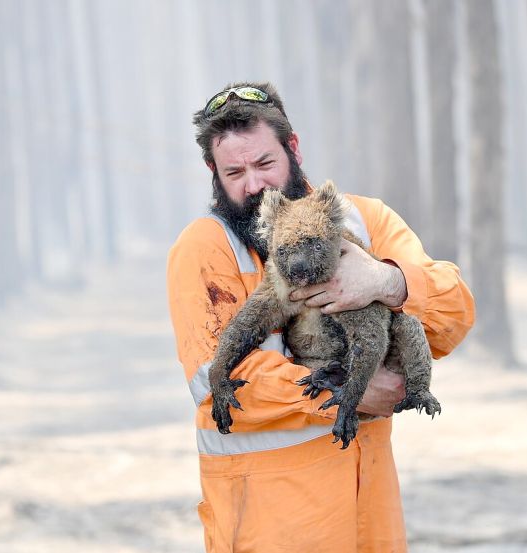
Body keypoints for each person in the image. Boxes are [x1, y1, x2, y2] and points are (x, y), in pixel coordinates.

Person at [167, 82, 475, 552]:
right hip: (268, 529)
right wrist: (343, 392)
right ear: (213, 171)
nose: (253, 184)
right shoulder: (206, 248)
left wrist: (386, 282)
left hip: (370, 521)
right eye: (234, 171)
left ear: (293, 148)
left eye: (265, 163)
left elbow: (454, 313)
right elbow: (217, 382)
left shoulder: (362, 220)